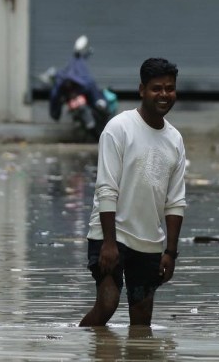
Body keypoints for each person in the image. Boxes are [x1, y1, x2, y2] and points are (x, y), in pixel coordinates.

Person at [79, 57, 186, 327]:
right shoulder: (119, 128)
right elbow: (106, 188)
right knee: (107, 304)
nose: (164, 95)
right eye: (156, 88)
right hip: (110, 236)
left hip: (149, 242)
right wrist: (109, 243)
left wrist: (170, 252)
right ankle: (90, 356)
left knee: (141, 322)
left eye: (169, 88)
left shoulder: (175, 140)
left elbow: (175, 201)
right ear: (142, 90)